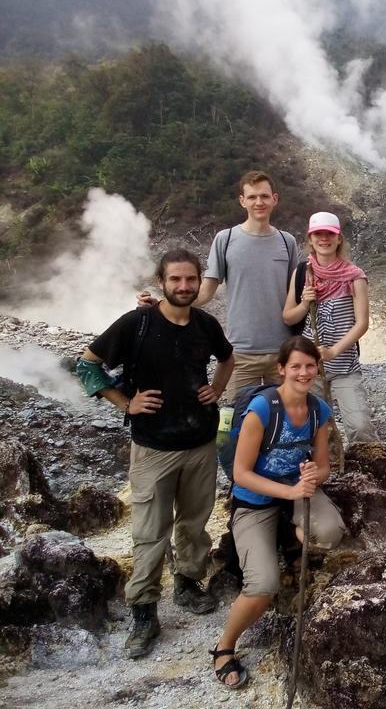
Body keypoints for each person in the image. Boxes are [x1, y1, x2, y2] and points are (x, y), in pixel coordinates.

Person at [77, 249, 234, 659]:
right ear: (161, 282)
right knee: (149, 532)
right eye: (175, 280)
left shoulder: (205, 324)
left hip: (200, 442)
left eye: (190, 280)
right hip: (152, 447)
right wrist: (123, 402)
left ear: (201, 282)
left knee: (195, 523)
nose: (184, 287)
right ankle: (144, 610)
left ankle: (187, 582)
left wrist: (216, 390)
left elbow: (229, 357)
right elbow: (85, 364)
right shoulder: (137, 323)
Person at [211, 336, 346, 689]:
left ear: (318, 367)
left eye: (310, 366)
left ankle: (288, 535)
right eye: (296, 366)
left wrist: (315, 475)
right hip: (255, 500)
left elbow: (323, 466)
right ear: (282, 369)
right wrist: (290, 491)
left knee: (330, 531)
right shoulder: (262, 410)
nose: (304, 373)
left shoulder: (318, 410)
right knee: (263, 585)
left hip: (295, 491)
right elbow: (241, 473)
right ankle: (224, 647)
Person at [191, 170, 298, 400]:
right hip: (239, 353)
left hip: (282, 351)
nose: (258, 202)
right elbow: (206, 291)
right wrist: (164, 305)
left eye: (264, 196)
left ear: (274, 199)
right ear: (242, 201)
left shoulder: (287, 242)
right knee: (237, 422)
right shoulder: (225, 239)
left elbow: (295, 294)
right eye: (252, 197)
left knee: (281, 423)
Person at [282, 211, 378, 445]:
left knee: (359, 425)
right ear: (310, 238)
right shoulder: (302, 273)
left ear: (338, 239)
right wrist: (305, 302)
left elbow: (362, 323)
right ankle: (329, 472)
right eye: (318, 234)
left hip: (344, 363)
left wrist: (333, 351)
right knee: (316, 427)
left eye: (329, 234)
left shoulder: (354, 276)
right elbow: (288, 317)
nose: (324, 239)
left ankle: (369, 470)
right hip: (308, 367)